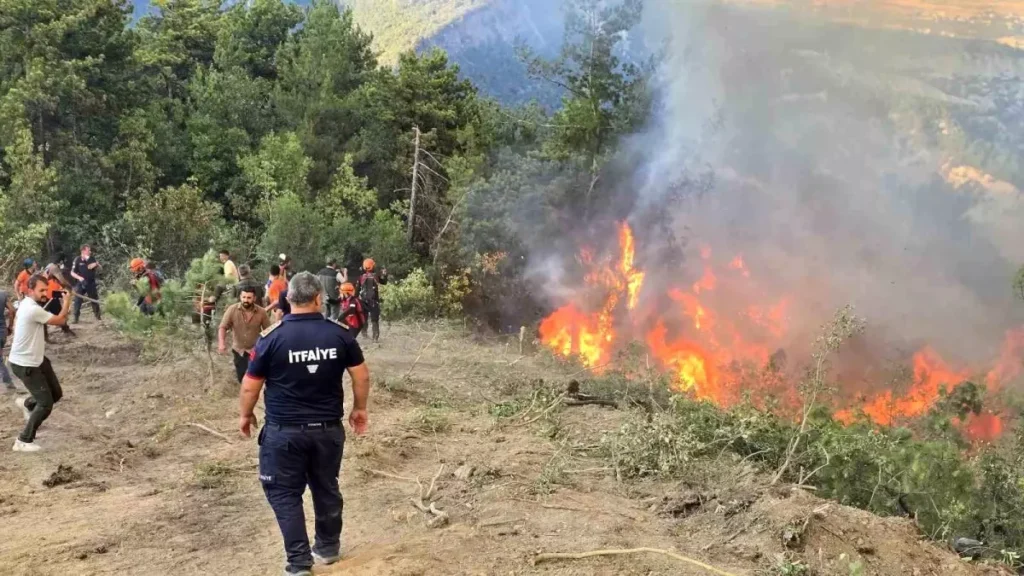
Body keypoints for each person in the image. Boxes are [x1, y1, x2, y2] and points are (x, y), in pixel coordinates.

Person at [239, 272, 370, 576]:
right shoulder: (339, 334)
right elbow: (361, 375)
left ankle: (298, 563)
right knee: (326, 486)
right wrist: (360, 409)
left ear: (288, 299)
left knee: (284, 493)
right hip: (328, 431)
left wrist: (245, 415)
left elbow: (250, 385)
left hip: (284, 434)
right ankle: (327, 547)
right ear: (318, 299)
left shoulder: (271, 338)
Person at [9, 273, 73, 452]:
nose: (45, 293)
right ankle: (23, 441)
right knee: (45, 404)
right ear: (30, 290)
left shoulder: (29, 304)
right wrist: (67, 301)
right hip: (25, 363)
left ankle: (27, 404)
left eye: (46, 289)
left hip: (37, 359)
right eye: (41, 290)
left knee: (56, 394)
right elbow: (61, 320)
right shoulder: (32, 309)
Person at [219, 286, 270, 383]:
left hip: (255, 350)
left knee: (255, 378)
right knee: (241, 378)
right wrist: (221, 343)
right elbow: (223, 327)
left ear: (254, 298)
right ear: (240, 297)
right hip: (239, 350)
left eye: (249, 298)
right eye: (244, 297)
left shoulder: (262, 312)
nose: (246, 300)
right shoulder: (232, 310)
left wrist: (266, 347)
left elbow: (268, 331)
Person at [356, 258, 388, 343]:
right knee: (374, 320)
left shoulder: (361, 277)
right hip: (374, 301)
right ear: (372, 266)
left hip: (363, 301)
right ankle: (375, 337)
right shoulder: (376, 276)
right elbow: (384, 282)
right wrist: (385, 275)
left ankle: (364, 334)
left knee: (364, 318)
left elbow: (356, 291)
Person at [42, 263, 76, 341]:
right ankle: (45, 336)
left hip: (53, 296)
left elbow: (61, 283)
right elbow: (62, 281)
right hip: (43, 298)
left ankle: (66, 329)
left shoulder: (53, 278)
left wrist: (68, 290)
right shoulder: (50, 270)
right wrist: (69, 288)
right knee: (42, 317)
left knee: (60, 313)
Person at [70, 244, 102, 323]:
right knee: (78, 299)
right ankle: (76, 318)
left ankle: (98, 317)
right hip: (81, 282)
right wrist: (80, 278)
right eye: (88, 250)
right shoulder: (77, 260)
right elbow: (72, 273)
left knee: (94, 299)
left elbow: (99, 268)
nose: (90, 252)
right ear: (83, 251)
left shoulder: (92, 259)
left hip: (91, 282)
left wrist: (97, 264)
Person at [0, 288, 15, 390]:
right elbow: (12, 310)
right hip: (2, 331)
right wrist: (10, 326)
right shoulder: (2, 294)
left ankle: (8, 381)